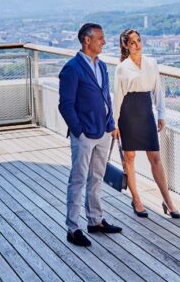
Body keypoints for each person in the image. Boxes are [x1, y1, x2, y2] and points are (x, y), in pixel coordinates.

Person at [58, 23, 122, 247]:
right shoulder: (72, 68)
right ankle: (73, 228)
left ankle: (95, 221)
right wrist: (79, 131)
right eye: (100, 38)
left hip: (103, 131)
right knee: (77, 180)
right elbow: (65, 105)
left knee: (96, 178)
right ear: (87, 40)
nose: (104, 42)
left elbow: (106, 98)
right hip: (85, 134)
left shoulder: (102, 66)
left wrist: (111, 124)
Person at [113, 29, 180, 219]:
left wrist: (161, 114)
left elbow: (158, 90)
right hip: (127, 112)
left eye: (139, 40)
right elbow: (117, 97)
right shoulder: (122, 68)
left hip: (145, 111)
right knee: (130, 158)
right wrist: (115, 122)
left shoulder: (152, 63)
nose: (137, 44)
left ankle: (168, 200)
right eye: (132, 42)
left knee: (155, 157)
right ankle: (136, 199)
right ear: (125, 45)